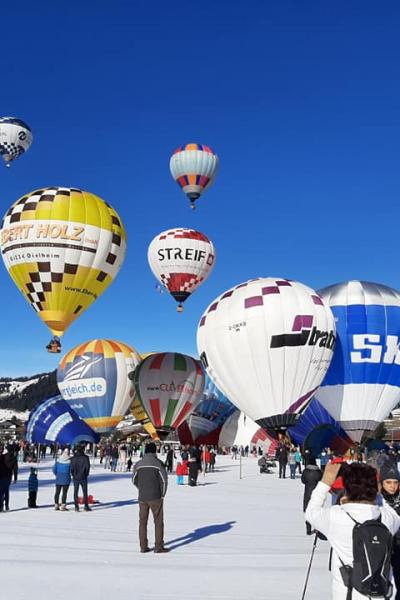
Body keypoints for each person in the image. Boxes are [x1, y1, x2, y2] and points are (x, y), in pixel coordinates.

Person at [306, 462, 400, 600]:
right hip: (383, 593)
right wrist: (377, 493)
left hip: (348, 594)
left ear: (347, 488)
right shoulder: (388, 517)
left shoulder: (336, 516)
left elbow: (311, 513)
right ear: (376, 487)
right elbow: (389, 509)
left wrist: (326, 482)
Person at [132, 442, 169, 553]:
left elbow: (134, 480)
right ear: (154, 451)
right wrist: (162, 494)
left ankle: (143, 546)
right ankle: (158, 546)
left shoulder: (138, 464)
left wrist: (141, 488)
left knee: (142, 522)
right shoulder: (158, 464)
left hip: (142, 497)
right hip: (156, 497)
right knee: (158, 521)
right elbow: (164, 481)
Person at [380, 462, 400, 600]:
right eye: (388, 482)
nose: (392, 486)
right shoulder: (376, 502)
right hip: (382, 551)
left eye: (395, 482)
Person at [301, 457, 322, 535]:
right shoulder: (318, 472)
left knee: (307, 511)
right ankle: (317, 528)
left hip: (307, 492)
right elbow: (321, 480)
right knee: (317, 510)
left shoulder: (306, 471)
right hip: (316, 492)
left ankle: (308, 529)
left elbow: (303, 481)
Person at [70, 445, 91, 512]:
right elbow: (87, 467)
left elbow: (72, 468)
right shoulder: (86, 458)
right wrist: (86, 474)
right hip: (83, 476)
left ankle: (76, 506)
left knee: (75, 492)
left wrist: (73, 474)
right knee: (85, 492)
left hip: (76, 477)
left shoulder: (73, 458)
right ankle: (86, 506)